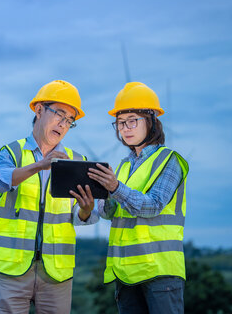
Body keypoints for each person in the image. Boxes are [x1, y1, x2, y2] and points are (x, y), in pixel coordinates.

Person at [0, 80, 98, 314]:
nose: (64, 123)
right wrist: (39, 166)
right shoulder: (13, 152)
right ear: (39, 110)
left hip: (56, 271)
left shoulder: (77, 161)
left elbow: (83, 217)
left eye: (70, 120)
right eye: (59, 114)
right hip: (12, 268)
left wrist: (86, 210)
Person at [84, 82, 189, 314]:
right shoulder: (121, 167)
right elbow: (108, 213)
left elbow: (153, 205)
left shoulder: (169, 161)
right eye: (120, 123)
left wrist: (115, 187)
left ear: (151, 121)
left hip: (160, 273)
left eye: (132, 120)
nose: (125, 128)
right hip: (126, 273)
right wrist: (95, 199)